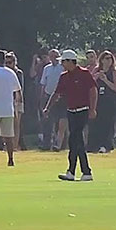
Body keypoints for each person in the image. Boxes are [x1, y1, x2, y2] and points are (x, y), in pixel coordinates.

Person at [44, 50, 97, 182]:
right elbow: (56, 94)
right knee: (75, 141)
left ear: (70, 61)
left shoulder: (84, 74)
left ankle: (78, 171)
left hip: (83, 110)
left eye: (63, 61)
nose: (62, 64)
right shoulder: (64, 76)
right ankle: (79, 172)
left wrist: (93, 109)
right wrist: (47, 108)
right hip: (71, 111)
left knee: (75, 139)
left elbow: (93, 91)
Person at [89, 51, 116, 153]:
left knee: (108, 123)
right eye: (106, 58)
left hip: (110, 101)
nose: (108, 61)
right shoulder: (96, 70)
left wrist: (106, 80)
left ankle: (105, 145)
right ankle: (93, 145)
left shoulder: (115, 72)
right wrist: (96, 77)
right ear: (101, 60)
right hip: (98, 100)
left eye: (110, 58)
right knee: (96, 122)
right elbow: (89, 84)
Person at [39, 49, 66, 151]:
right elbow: (43, 83)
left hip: (61, 98)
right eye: (52, 56)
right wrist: (42, 98)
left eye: (56, 56)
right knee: (47, 122)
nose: (54, 58)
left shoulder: (62, 68)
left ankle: (61, 144)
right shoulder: (47, 68)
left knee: (61, 122)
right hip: (48, 96)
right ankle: (46, 144)